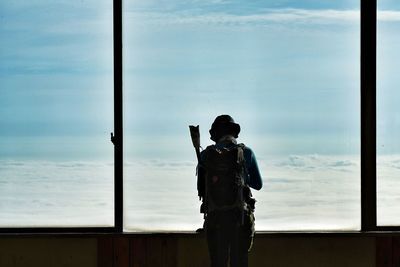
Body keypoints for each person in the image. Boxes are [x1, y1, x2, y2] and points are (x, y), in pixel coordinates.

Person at [197, 115, 263, 267]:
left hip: (215, 220)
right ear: (234, 132)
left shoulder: (205, 155)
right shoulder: (247, 152)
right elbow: (258, 184)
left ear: (215, 134)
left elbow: (202, 189)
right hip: (239, 220)